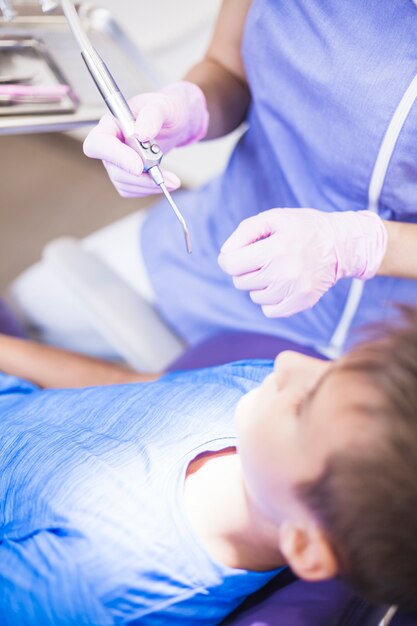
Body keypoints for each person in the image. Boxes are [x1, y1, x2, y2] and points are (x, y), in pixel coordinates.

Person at [9, 0, 417, 361]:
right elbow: (227, 68)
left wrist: (361, 246)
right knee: (23, 314)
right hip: (213, 237)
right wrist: (185, 111)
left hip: (378, 344)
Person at [1, 307, 417, 625]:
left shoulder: (105, 589)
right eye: (333, 366)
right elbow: (127, 387)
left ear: (305, 546)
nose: (291, 360)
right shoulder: (255, 394)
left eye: (304, 407)